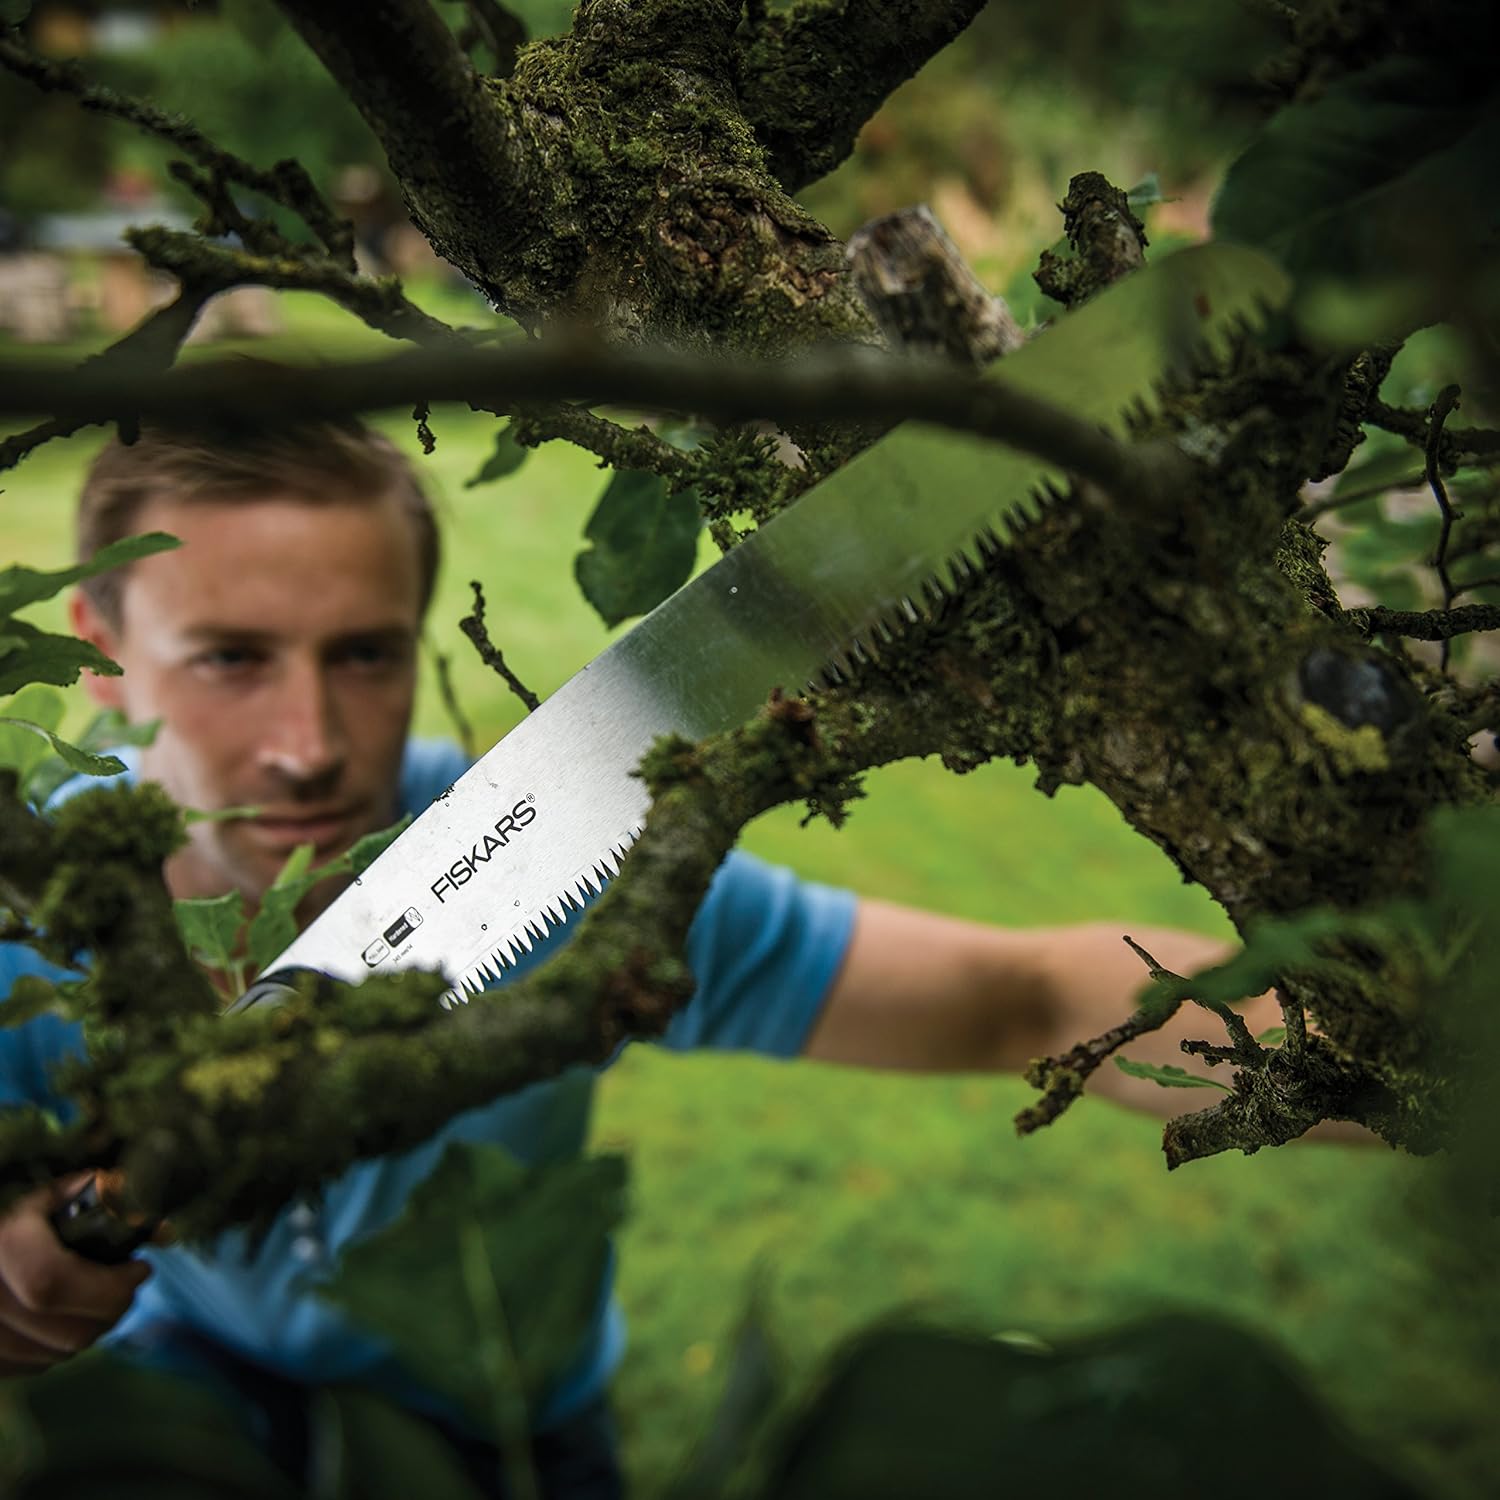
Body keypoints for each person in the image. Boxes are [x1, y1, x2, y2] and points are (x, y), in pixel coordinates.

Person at [0, 421, 1272, 1495]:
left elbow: (1026, 1001)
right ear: (97, 648)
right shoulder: (27, 912)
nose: (310, 743)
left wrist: (1416, 1041)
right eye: (230, 657)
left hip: (508, 1413)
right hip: (183, 1382)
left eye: (367, 653)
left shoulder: (543, 855)